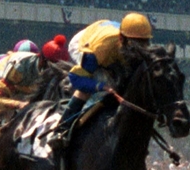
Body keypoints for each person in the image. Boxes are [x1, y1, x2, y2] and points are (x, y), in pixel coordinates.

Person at [47, 13, 154, 157]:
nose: (139, 49)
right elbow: (76, 78)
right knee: (91, 86)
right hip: (85, 43)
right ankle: (62, 129)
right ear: (122, 39)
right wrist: (101, 86)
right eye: (135, 45)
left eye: (143, 44)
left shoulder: (139, 48)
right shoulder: (98, 51)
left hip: (110, 37)